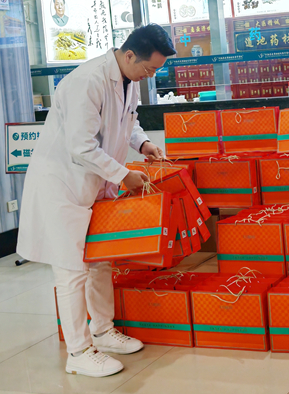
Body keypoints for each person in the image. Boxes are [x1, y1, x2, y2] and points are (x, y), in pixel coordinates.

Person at [16, 24, 177, 377]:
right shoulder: (87, 81)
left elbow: (126, 121)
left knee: (101, 260)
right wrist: (122, 175)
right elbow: (81, 145)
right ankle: (78, 351)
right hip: (63, 185)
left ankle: (102, 331)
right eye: (150, 68)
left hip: (94, 184)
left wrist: (143, 143)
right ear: (130, 54)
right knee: (71, 270)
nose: (151, 76)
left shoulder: (127, 79)